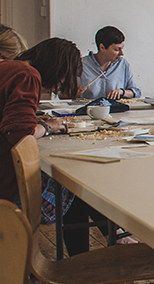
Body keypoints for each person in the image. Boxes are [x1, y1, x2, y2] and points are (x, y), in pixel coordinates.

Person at [2, 37, 113, 255]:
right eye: (64, 76)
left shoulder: (7, 67)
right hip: (6, 187)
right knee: (77, 186)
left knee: (74, 190)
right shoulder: (27, 75)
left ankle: (99, 248)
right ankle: (89, 259)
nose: (61, 84)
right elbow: (20, 134)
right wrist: (48, 126)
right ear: (58, 68)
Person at [78, 26, 142, 100]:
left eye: (122, 48)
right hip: (88, 110)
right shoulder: (81, 65)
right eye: (117, 49)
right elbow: (62, 95)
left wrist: (122, 92)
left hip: (116, 110)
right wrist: (73, 92)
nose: (122, 53)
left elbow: (136, 92)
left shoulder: (123, 64)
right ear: (102, 47)